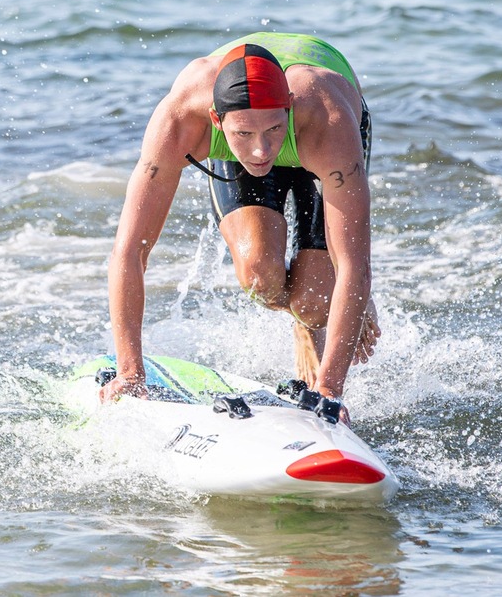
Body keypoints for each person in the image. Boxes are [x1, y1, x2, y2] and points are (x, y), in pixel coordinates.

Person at [100, 33, 380, 417]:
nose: (262, 151)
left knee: (315, 300)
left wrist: (329, 392)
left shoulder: (328, 120)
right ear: (216, 119)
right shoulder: (181, 119)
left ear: (290, 108)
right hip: (254, 111)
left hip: (317, 129)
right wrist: (130, 373)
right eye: (243, 134)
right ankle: (305, 316)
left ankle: (322, 311)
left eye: (272, 132)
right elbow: (129, 251)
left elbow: (355, 264)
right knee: (259, 278)